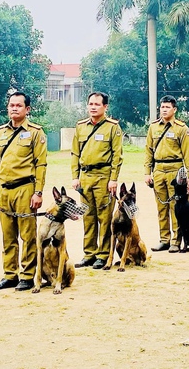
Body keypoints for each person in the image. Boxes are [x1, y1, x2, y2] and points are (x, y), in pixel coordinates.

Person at [0, 91, 47, 292]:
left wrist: (38, 192)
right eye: (11, 105)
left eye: (18, 105)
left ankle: (28, 275)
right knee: (8, 236)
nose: (14, 108)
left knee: (28, 235)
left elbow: (41, 165)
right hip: (4, 190)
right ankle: (10, 274)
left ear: (27, 109)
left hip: (25, 189)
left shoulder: (35, 132)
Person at [71, 92, 123, 269]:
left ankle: (103, 254)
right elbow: (75, 153)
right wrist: (75, 176)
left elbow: (117, 156)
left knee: (104, 217)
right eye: (90, 104)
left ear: (105, 107)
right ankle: (89, 254)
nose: (93, 107)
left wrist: (113, 179)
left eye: (97, 104)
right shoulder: (80, 127)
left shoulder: (112, 127)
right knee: (88, 216)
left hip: (103, 177)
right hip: (85, 177)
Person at [144, 95, 189, 253]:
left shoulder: (181, 128)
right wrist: (147, 172)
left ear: (175, 109)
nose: (164, 110)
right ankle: (164, 239)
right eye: (162, 107)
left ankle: (176, 240)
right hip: (158, 170)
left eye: (167, 107)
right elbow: (148, 151)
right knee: (161, 207)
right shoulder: (153, 127)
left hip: (175, 170)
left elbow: (188, 154)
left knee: (175, 207)